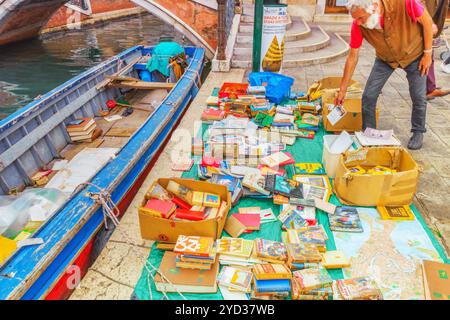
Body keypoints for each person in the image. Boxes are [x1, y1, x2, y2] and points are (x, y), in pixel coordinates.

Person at [336, 0, 434, 150]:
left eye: (361, 18)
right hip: (385, 58)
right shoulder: (358, 25)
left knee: (418, 96)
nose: (358, 22)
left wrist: (427, 54)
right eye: (355, 19)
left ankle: (418, 131)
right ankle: (369, 133)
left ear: (374, 8)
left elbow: (427, 22)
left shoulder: (405, 3)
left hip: (414, 53)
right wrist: (342, 89)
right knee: (369, 95)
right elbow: (352, 56)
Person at [424, 0, 450, 100]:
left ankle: (429, 88)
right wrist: (427, 20)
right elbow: (418, 3)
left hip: (431, 19)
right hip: (423, 19)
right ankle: (429, 89)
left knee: (428, 54)